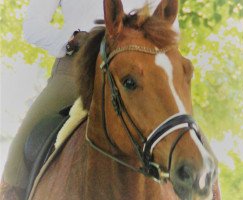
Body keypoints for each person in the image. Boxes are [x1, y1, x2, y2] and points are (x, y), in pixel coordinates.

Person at [0, 0, 166, 199]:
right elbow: (32, 26)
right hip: (76, 68)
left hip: (135, 76)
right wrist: (71, 39)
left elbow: (167, 34)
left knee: (187, 137)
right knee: (19, 156)